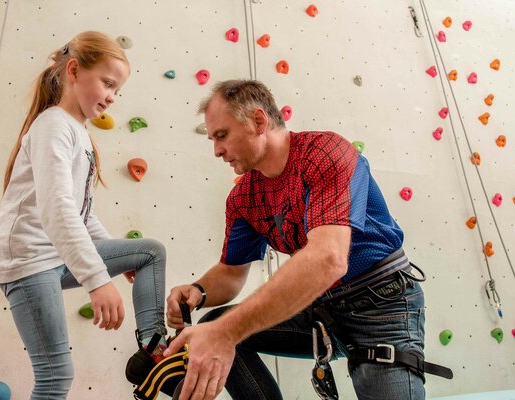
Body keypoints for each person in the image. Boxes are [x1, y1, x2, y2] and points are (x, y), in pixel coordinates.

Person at [165, 79, 450, 400]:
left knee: (224, 329)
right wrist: (199, 291)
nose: (216, 150)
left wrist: (226, 333)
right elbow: (231, 273)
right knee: (214, 323)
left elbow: (328, 259)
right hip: (323, 307)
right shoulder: (243, 197)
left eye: (222, 135)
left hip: (382, 306)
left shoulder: (324, 154)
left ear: (259, 121)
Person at [0, 31, 169, 399]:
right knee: (55, 376)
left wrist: (114, 256)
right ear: (74, 70)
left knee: (149, 252)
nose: (111, 97)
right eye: (107, 83)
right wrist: (98, 280)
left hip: (55, 254)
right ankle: (153, 350)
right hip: (29, 260)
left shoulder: (79, 133)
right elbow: (57, 209)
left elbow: (83, 215)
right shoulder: (53, 126)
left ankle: (153, 351)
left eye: (117, 90)